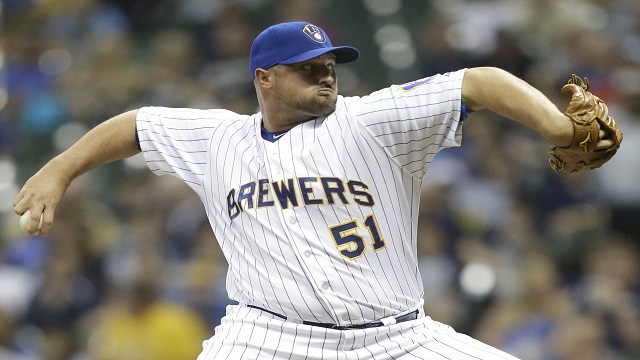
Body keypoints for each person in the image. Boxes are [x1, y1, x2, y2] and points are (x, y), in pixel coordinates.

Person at [14, 21, 592, 359]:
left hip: (397, 339)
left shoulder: (373, 119)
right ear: (264, 79)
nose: (326, 72)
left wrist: (561, 130)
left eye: (329, 63)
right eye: (307, 66)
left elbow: (480, 82)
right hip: (267, 338)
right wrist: (57, 171)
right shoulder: (219, 138)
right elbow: (135, 126)